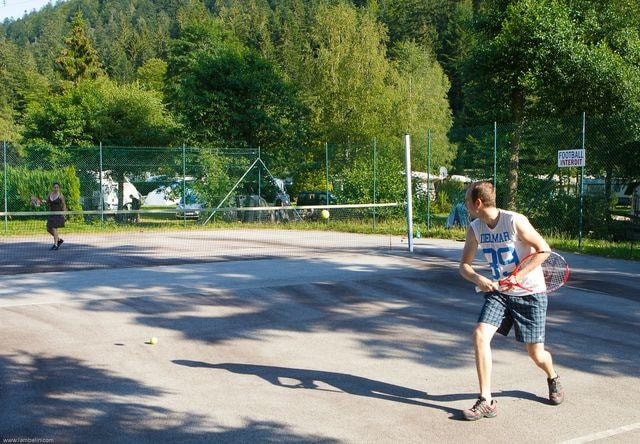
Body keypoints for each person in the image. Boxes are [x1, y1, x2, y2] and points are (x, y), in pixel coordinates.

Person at [458, 181, 564, 421]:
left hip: (530, 293)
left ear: (477, 203)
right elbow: (464, 266)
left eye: (467, 201)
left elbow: (544, 250)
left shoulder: (514, 221)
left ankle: (553, 376)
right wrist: (478, 278)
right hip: (500, 293)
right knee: (480, 334)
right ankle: (486, 400)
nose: (465, 206)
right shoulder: (475, 228)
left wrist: (518, 276)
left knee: (536, 354)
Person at [45, 182, 67, 250]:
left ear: (59, 188)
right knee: (48, 229)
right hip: (51, 214)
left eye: (57, 187)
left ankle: (55, 244)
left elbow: (64, 205)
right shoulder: (50, 194)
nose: (56, 189)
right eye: (55, 187)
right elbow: (46, 203)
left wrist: (64, 214)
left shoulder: (61, 195)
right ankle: (59, 240)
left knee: (54, 228)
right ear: (53, 188)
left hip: (58, 214)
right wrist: (39, 202)